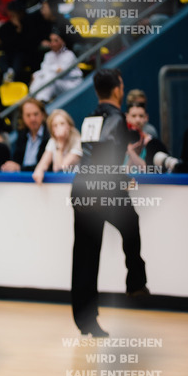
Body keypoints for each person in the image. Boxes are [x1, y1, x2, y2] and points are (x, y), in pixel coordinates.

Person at [70, 68, 148, 337]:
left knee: (85, 256)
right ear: (117, 89)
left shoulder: (92, 117)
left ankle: (85, 320)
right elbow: (103, 154)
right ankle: (136, 280)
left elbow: (91, 153)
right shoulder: (116, 118)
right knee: (131, 224)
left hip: (82, 188)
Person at [29, 32, 82, 104]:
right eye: (51, 41)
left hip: (71, 83)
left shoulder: (69, 55)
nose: (53, 43)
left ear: (63, 42)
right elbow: (44, 71)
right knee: (37, 77)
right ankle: (33, 99)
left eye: (56, 41)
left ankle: (41, 102)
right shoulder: (48, 55)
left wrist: (49, 70)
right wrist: (36, 75)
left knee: (51, 80)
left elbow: (59, 73)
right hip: (55, 82)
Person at [32, 108, 82, 182]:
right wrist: (39, 170)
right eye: (55, 125)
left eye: (62, 124)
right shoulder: (52, 142)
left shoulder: (78, 141)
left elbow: (60, 169)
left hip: (77, 184)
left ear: (69, 126)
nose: (59, 128)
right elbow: (42, 165)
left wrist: (60, 144)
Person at [4, 97, 49, 172]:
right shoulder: (22, 133)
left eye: (36, 114)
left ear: (43, 115)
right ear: (23, 117)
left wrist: (19, 168)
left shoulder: (49, 134)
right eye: (28, 115)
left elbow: (47, 167)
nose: (32, 119)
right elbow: (17, 159)